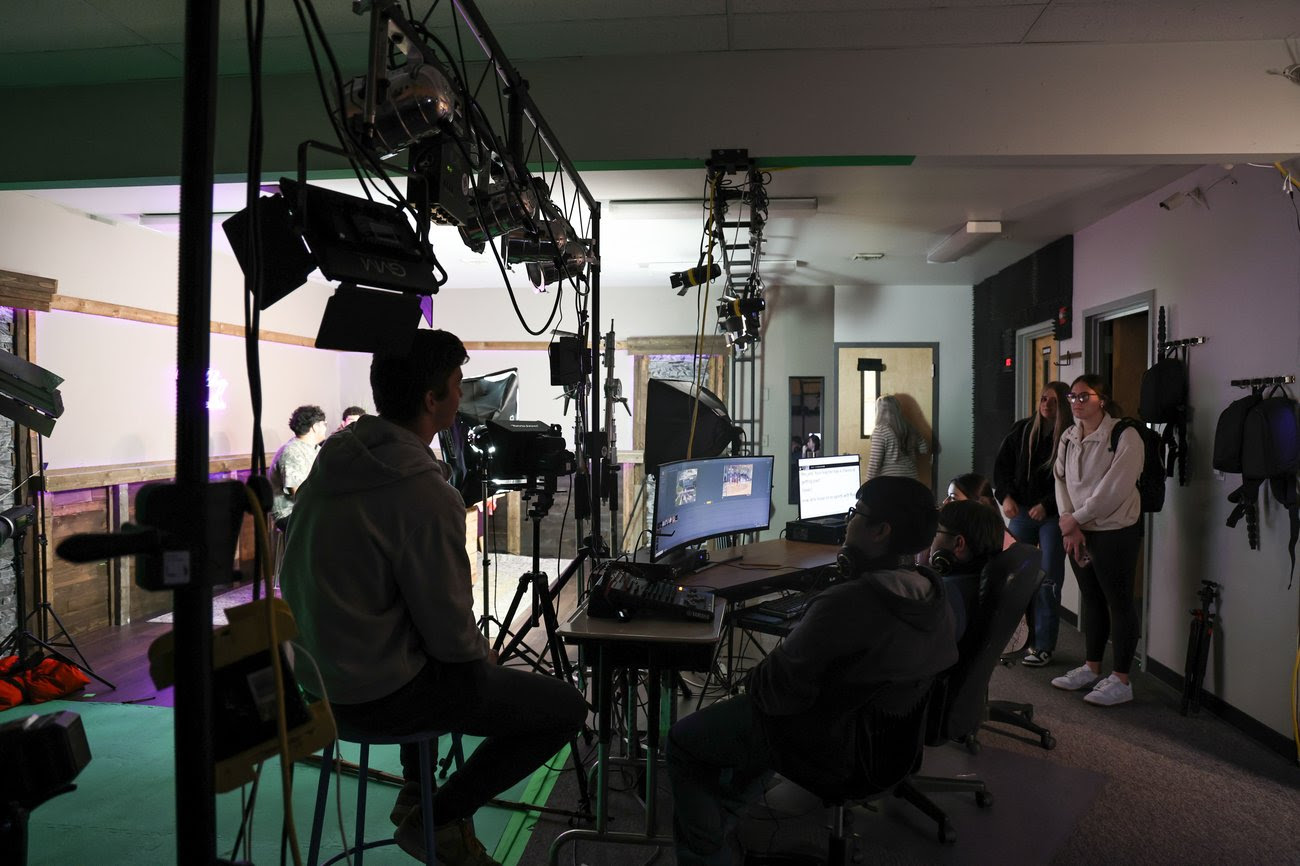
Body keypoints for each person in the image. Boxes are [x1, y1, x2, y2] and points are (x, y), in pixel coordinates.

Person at [279, 330, 588, 865]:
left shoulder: (332, 463)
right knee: (564, 708)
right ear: (432, 400)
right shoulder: (421, 491)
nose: (463, 392)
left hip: (315, 687)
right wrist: (479, 653)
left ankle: (414, 792)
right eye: (457, 384)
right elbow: (450, 631)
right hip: (375, 697)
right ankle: (438, 820)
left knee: (432, 654)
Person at [666, 476, 957, 865]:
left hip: (826, 745)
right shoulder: (934, 591)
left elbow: (770, 690)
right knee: (762, 720)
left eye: (856, 513)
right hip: (887, 747)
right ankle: (726, 816)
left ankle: (705, 853)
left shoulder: (849, 602)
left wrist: (773, 658)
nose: (848, 521)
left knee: (684, 741)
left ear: (880, 532)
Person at [1050, 373, 1144, 707]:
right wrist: (1068, 521)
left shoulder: (1125, 435)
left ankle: (1121, 679)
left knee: (1118, 601)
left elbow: (1113, 490)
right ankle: (1092, 667)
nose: (1076, 402)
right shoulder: (1068, 437)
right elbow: (1060, 480)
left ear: (1101, 399)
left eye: (1083, 396)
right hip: (1078, 529)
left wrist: (1073, 519)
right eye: (1072, 397)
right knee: (1090, 598)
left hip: (1115, 530)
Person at [993, 381, 1071, 667]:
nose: (1046, 405)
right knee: (1014, 576)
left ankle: (1043, 645)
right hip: (1022, 512)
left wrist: (1047, 505)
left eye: (1052, 400)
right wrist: (1005, 498)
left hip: (1054, 516)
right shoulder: (1022, 430)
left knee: (1048, 580)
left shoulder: (1070, 436)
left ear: (1063, 403)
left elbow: (1072, 482)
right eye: (1042, 399)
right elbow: (1001, 467)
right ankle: (1014, 640)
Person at [929, 498, 1006, 649]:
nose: (931, 540)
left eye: (935, 533)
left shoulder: (947, 593)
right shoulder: (983, 581)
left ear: (958, 543)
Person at [268, 404, 328, 527]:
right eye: (324, 424)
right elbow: (295, 490)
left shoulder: (315, 449)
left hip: (307, 509)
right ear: (315, 427)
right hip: (290, 513)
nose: (326, 428)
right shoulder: (292, 451)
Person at [944, 472, 1015, 549]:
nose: (945, 502)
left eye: (953, 498)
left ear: (977, 503)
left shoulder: (993, 540)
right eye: (948, 496)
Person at [867, 395, 929, 481]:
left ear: (879, 411)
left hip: (891, 482)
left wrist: (865, 487)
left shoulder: (880, 431)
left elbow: (875, 463)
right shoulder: (910, 428)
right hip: (912, 479)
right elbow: (924, 449)